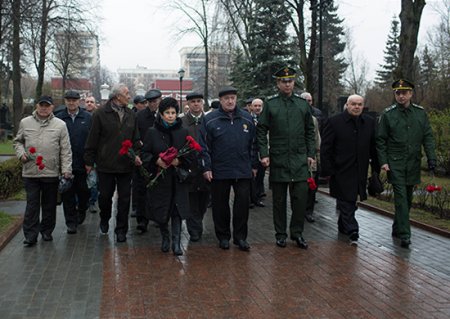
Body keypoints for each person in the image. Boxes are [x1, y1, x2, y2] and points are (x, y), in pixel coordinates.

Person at [256, 67, 315, 249]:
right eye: (284, 81)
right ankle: (280, 234)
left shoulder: (302, 104)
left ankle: (297, 233)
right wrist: (264, 153)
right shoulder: (271, 104)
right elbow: (261, 129)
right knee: (279, 200)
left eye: (290, 80)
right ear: (278, 83)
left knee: (300, 199)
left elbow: (310, 131)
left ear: (294, 82)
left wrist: (311, 153)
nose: (287, 84)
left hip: (299, 159)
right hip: (279, 158)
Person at [376, 79, 436, 248]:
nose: (401, 96)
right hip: (395, 164)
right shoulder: (388, 115)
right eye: (398, 93)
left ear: (411, 94)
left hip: (413, 163)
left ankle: (397, 227)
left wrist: (432, 158)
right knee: (401, 198)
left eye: (404, 93)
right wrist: (384, 162)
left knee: (407, 199)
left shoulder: (420, 113)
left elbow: (428, 137)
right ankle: (405, 234)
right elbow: (380, 140)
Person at [199, 86, 256, 251]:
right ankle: (223, 236)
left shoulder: (246, 118)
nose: (230, 101)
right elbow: (203, 146)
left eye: (233, 98)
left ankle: (240, 238)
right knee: (220, 205)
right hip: (219, 170)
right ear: (221, 100)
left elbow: (254, 143)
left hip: (243, 169)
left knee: (242, 205)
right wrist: (206, 167)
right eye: (226, 98)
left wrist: (254, 164)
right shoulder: (210, 120)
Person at [84, 84, 142, 243]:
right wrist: (89, 161)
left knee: (124, 199)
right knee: (105, 197)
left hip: (126, 165)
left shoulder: (131, 114)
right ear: (117, 97)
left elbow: (136, 139)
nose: (129, 96)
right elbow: (92, 138)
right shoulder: (100, 114)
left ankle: (121, 229)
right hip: (106, 164)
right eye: (127, 93)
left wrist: (137, 154)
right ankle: (105, 218)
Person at [13, 96, 72, 246]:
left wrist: (66, 169)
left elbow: (65, 150)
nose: (44, 108)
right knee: (32, 205)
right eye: (41, 105)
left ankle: (46, 231)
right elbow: (18, 141)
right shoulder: (25, 123)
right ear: (37, 106)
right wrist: (21, 154)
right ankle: (30, 236)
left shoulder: (60, 125)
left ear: (52, 107)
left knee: (49, 205)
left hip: (50, 172)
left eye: (47, 106)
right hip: (30, 172)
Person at [320, 94, 379, 244]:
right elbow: (326, 147)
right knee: (347, 200)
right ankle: (353, 229)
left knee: (350, 200)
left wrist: (376, 168)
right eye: (353, 104)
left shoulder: (369, 122)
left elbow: (374, 146)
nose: (356, 107)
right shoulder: (334, 122)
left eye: (359, 104)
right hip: (341, 169)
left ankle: (343, 225)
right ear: (347, 105)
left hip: (360, 169)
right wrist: (328, 170)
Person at [142, 97, 193, 256]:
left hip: (177, 179)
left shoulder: (183, 131)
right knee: (162, 211)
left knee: (176, 211)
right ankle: (165, 237)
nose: (171, 116)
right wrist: (156, 160)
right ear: (161, 114)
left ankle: (176, 243)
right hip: (161, 179)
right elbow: (144, 154)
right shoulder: (152, 132)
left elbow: (191, 155)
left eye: (173, 112)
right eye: (167, 113)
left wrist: (180, 161)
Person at [56, 90, 92, 234]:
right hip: (66, 164)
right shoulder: (59, 118)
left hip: (83, 163)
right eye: (69, 100)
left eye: (74, 100)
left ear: (79, 101)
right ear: (65, 101)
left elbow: (92, 140)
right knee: (68, 194)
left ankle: (82, 210)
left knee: (84, 191)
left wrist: (91, 161)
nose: (71, 103)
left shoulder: (88, 117)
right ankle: (71, 222)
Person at [181, 92, 210, 242]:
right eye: (193, 101)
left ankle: (198, 220)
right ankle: (194, 229)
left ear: (203, 103)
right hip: (190, 166)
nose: (196, 104)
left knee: (204, 199)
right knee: (191, 198)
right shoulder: (182, 122)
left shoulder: (209, 120)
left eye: (199, 101)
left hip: (206, 167)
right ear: (188, 104)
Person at [133, 89, 162, 232]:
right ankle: (142, 221)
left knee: (160, 190)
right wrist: (137, 154)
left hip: (161, 159)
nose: (153, 104)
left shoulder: (166, 114)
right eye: (150, 102)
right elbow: (135, 137)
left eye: (155, 101)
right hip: (144, 159)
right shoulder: (139, 116)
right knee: (142, 191)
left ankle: (159, 217)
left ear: (160, 100)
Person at [300, 92, 321, 223]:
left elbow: (316, 139)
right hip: (296, 156)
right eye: (305, 101)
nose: (308, 103)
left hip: (310, 157)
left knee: (311, 186)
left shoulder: (314, 119)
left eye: (310, 101)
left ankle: (309, 211)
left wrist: (315, 157)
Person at [249, 98, 266, 208]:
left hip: (262, 153)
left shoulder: (265, 119)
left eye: (259, 106)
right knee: (251, 177)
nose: (257, 108)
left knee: (260, 176)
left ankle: (258, 197)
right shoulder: (248, 119)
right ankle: (250, 199)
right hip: (251, 151)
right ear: (251, 107)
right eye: (255, 106)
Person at [84, 95, 98, 213]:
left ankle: (92, 202)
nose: (89, 103)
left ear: (95, 104)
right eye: (87, 101)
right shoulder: (81, 115)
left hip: (95, 154)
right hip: (81, 152)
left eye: (91, 102)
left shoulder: (97, 117)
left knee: (93, 180)